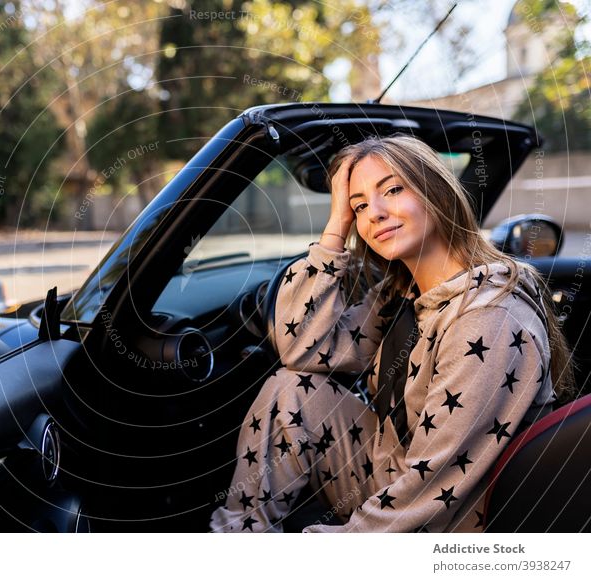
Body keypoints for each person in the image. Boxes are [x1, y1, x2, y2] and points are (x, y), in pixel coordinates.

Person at [209, 134, 572, 533]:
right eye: (359, 206)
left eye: (393, 190)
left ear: (437, 192)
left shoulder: (488, 318)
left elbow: (431, 489)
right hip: (393, 464)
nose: (374, 214)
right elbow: (301, 351)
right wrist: (336, 226)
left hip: (458, 518)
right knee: (290, 389)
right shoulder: (399, 295)